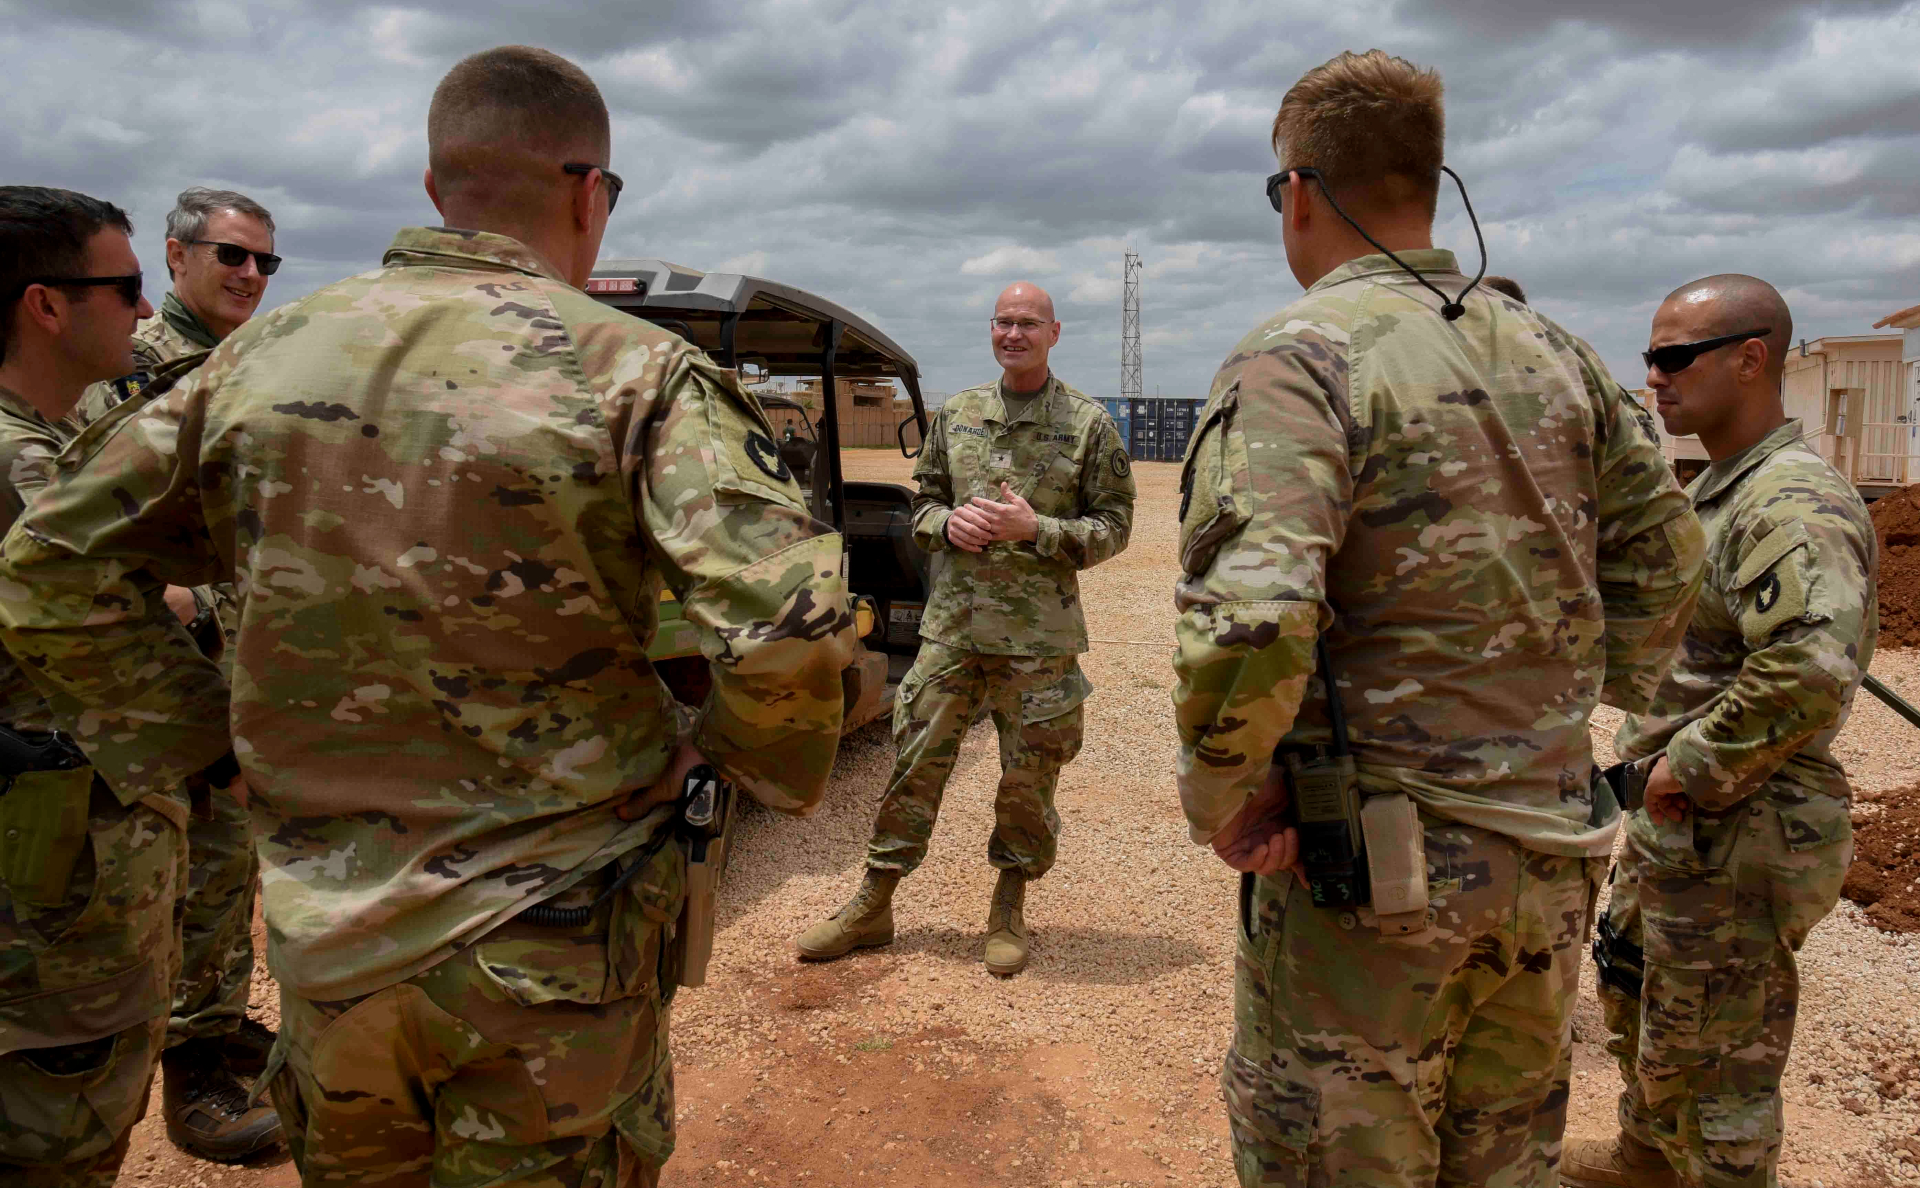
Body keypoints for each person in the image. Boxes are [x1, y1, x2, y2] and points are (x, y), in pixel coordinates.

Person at [0, 45, 854, 1188]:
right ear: (588, 194)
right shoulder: (636, 372)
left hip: (333, 953)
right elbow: (792, 628)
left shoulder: (256, 361)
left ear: (431, 186)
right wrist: (726, 763)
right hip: (554, 948)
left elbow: (48, 567)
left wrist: (205, 746)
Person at [1173, 50, 1705, 1186]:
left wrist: (1226, 797)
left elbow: (1253, 619)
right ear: (1431, 180)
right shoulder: (1566, 359)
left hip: (1373, 882)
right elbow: (1666, 574)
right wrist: (1546, 719)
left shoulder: (1301, 357)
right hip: (1553, 862)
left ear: (1302, 193)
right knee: (1503, 1163)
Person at [1563, 277, 1876, 1188]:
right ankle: (1646, 1163)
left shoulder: (1792, 503)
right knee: (1648, 1010)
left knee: (1720, 1065)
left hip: (1742, 822)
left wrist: (1683, 769)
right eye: (1650, 357)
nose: (1653, 376)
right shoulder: (1722, 492)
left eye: (1674, 357)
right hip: (1689, 820)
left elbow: (1810, 672)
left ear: (1751, 359)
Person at [794, 281, 1134, 975]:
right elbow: (922, 508)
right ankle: (875, 902)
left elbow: (1115, 529)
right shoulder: (959, 413)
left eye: (1028, 323)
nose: (1014, 334)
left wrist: (1036, 529)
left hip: (1038, 641)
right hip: (953, 631)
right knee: (915, 767)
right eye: (1004, 322)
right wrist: (946, 523)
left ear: (1054, 333)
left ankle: (1008, 905)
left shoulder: (1088, 424)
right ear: (993, 329)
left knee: (1027, 781)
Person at [77, 186, 284, 1163]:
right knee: (182, 875)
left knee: (230, 864)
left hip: (244, 670)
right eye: (231, 257)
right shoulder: (129, 375)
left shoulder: (247, 369)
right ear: (175, 258)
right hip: (169, 678)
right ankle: (191, 1078)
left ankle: (215, 1025)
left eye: (263, 263)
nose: (249, 275)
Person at [0, 185, 187, 1188]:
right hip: (44, 890)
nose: (144, 310)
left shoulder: (45, 445)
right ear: (47, 305)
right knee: (55, 1135)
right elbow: (111, 617)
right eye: (125, 287)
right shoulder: (22, 466)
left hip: (60, 862)